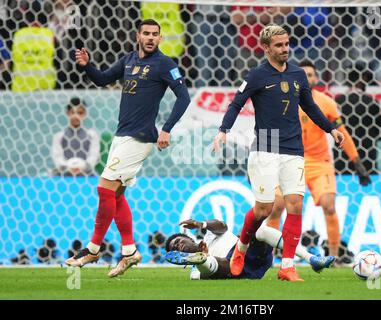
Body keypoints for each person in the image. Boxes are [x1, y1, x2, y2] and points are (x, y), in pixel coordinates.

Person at [213, 24, 344, 281]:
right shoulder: (256, 76)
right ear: (266, 48)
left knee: (295, 204)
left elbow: (310, 106)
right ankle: (240, 249)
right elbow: (236, 103)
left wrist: (331, 130)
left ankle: (287, 266)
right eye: (279, 45)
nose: (285, 49)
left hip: (294, 148)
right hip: (266, 147)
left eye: (286, 44)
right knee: (264, 210)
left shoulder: (297, 75)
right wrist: (223, 130)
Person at [65, 19, 191, 278]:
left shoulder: (164, 64)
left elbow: (184, 96)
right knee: (117, 195)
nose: (151, 38)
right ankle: (129, 251)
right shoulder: (129, 60)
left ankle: (93, 248)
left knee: (104, 188)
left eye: (155, 34)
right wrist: (87, 65)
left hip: (140, 137)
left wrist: (166, 128)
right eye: (146, 33)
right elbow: (101, 79)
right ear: (138, 35)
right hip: (122, 135)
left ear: (160, 38)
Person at [266, 60, 371, 261]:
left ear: (316, 78)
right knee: (276, 206)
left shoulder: (326, 103)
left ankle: (334, 257)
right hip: (288, 159)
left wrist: (357, 163)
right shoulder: (280, 101)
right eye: (303, 73)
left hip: (318, 162)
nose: (307, 77)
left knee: (329, 205)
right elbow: (266, 128)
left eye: (311, 74)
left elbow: (342, 132)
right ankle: (268, 258)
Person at [165, 219, 335, 280]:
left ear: (189, 237)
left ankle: (312, 259)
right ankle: (204, 259)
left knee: (259, 230)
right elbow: (200, 278)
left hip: (246, 252)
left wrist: (200, 224)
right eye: (175, 248)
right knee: (211, 265)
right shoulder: (194, 271)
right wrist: (206, 258)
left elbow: (221, 226)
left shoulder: (209, 236)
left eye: (179, 241)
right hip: (232, 269)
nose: (177, 245)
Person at [334, 69, 381, 174]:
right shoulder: (372, 102)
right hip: (366, 158)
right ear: (362, 80)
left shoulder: (337, 101)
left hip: (342, 158)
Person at [51, 97, 100, 177]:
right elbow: (57, 157)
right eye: (72, 112)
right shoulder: (59, 136)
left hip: (86, 174)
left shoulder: (92, 135)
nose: (76, 116)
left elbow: (93, 156)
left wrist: (83, 167)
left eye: (80, 113)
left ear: (85, 114)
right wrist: (68, 168)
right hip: (64, 174)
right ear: (67, 114)